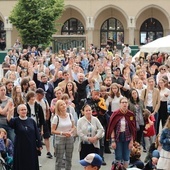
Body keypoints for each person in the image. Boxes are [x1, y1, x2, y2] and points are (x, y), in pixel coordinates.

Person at [7, 104, 42, 170]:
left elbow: (37, 133)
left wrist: (39, 144)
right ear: (18, 112)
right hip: (20, 146)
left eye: (25, 109)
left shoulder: (31, 121)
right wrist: (10, 112)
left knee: (31, 163)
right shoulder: (15, 120)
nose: (23, 111)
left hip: (31, 146)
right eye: (22, 110)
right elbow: (9, 122)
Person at [107, 97, 136, 168]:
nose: (124, 104)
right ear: (120, 104)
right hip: (118, 137)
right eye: (123, 102)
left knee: (126, 157)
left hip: (127, 137)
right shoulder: (115, 114)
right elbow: (111, 127)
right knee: (118, 156)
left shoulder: (130, 114)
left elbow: (133, 129)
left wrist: (132, 141)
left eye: (126, 102)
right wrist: (113, 140)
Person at [51, 100, 75, 170]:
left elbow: (73, 127)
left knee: (69, 159)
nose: (64, 106)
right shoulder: (56, 118)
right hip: (60, 139)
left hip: (70, 138)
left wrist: (71, 132)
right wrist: (63, 133)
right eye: (61, 105)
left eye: (64, 104)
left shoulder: (70, 115)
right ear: (58, 107)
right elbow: (52, 130)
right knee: (59, 160)